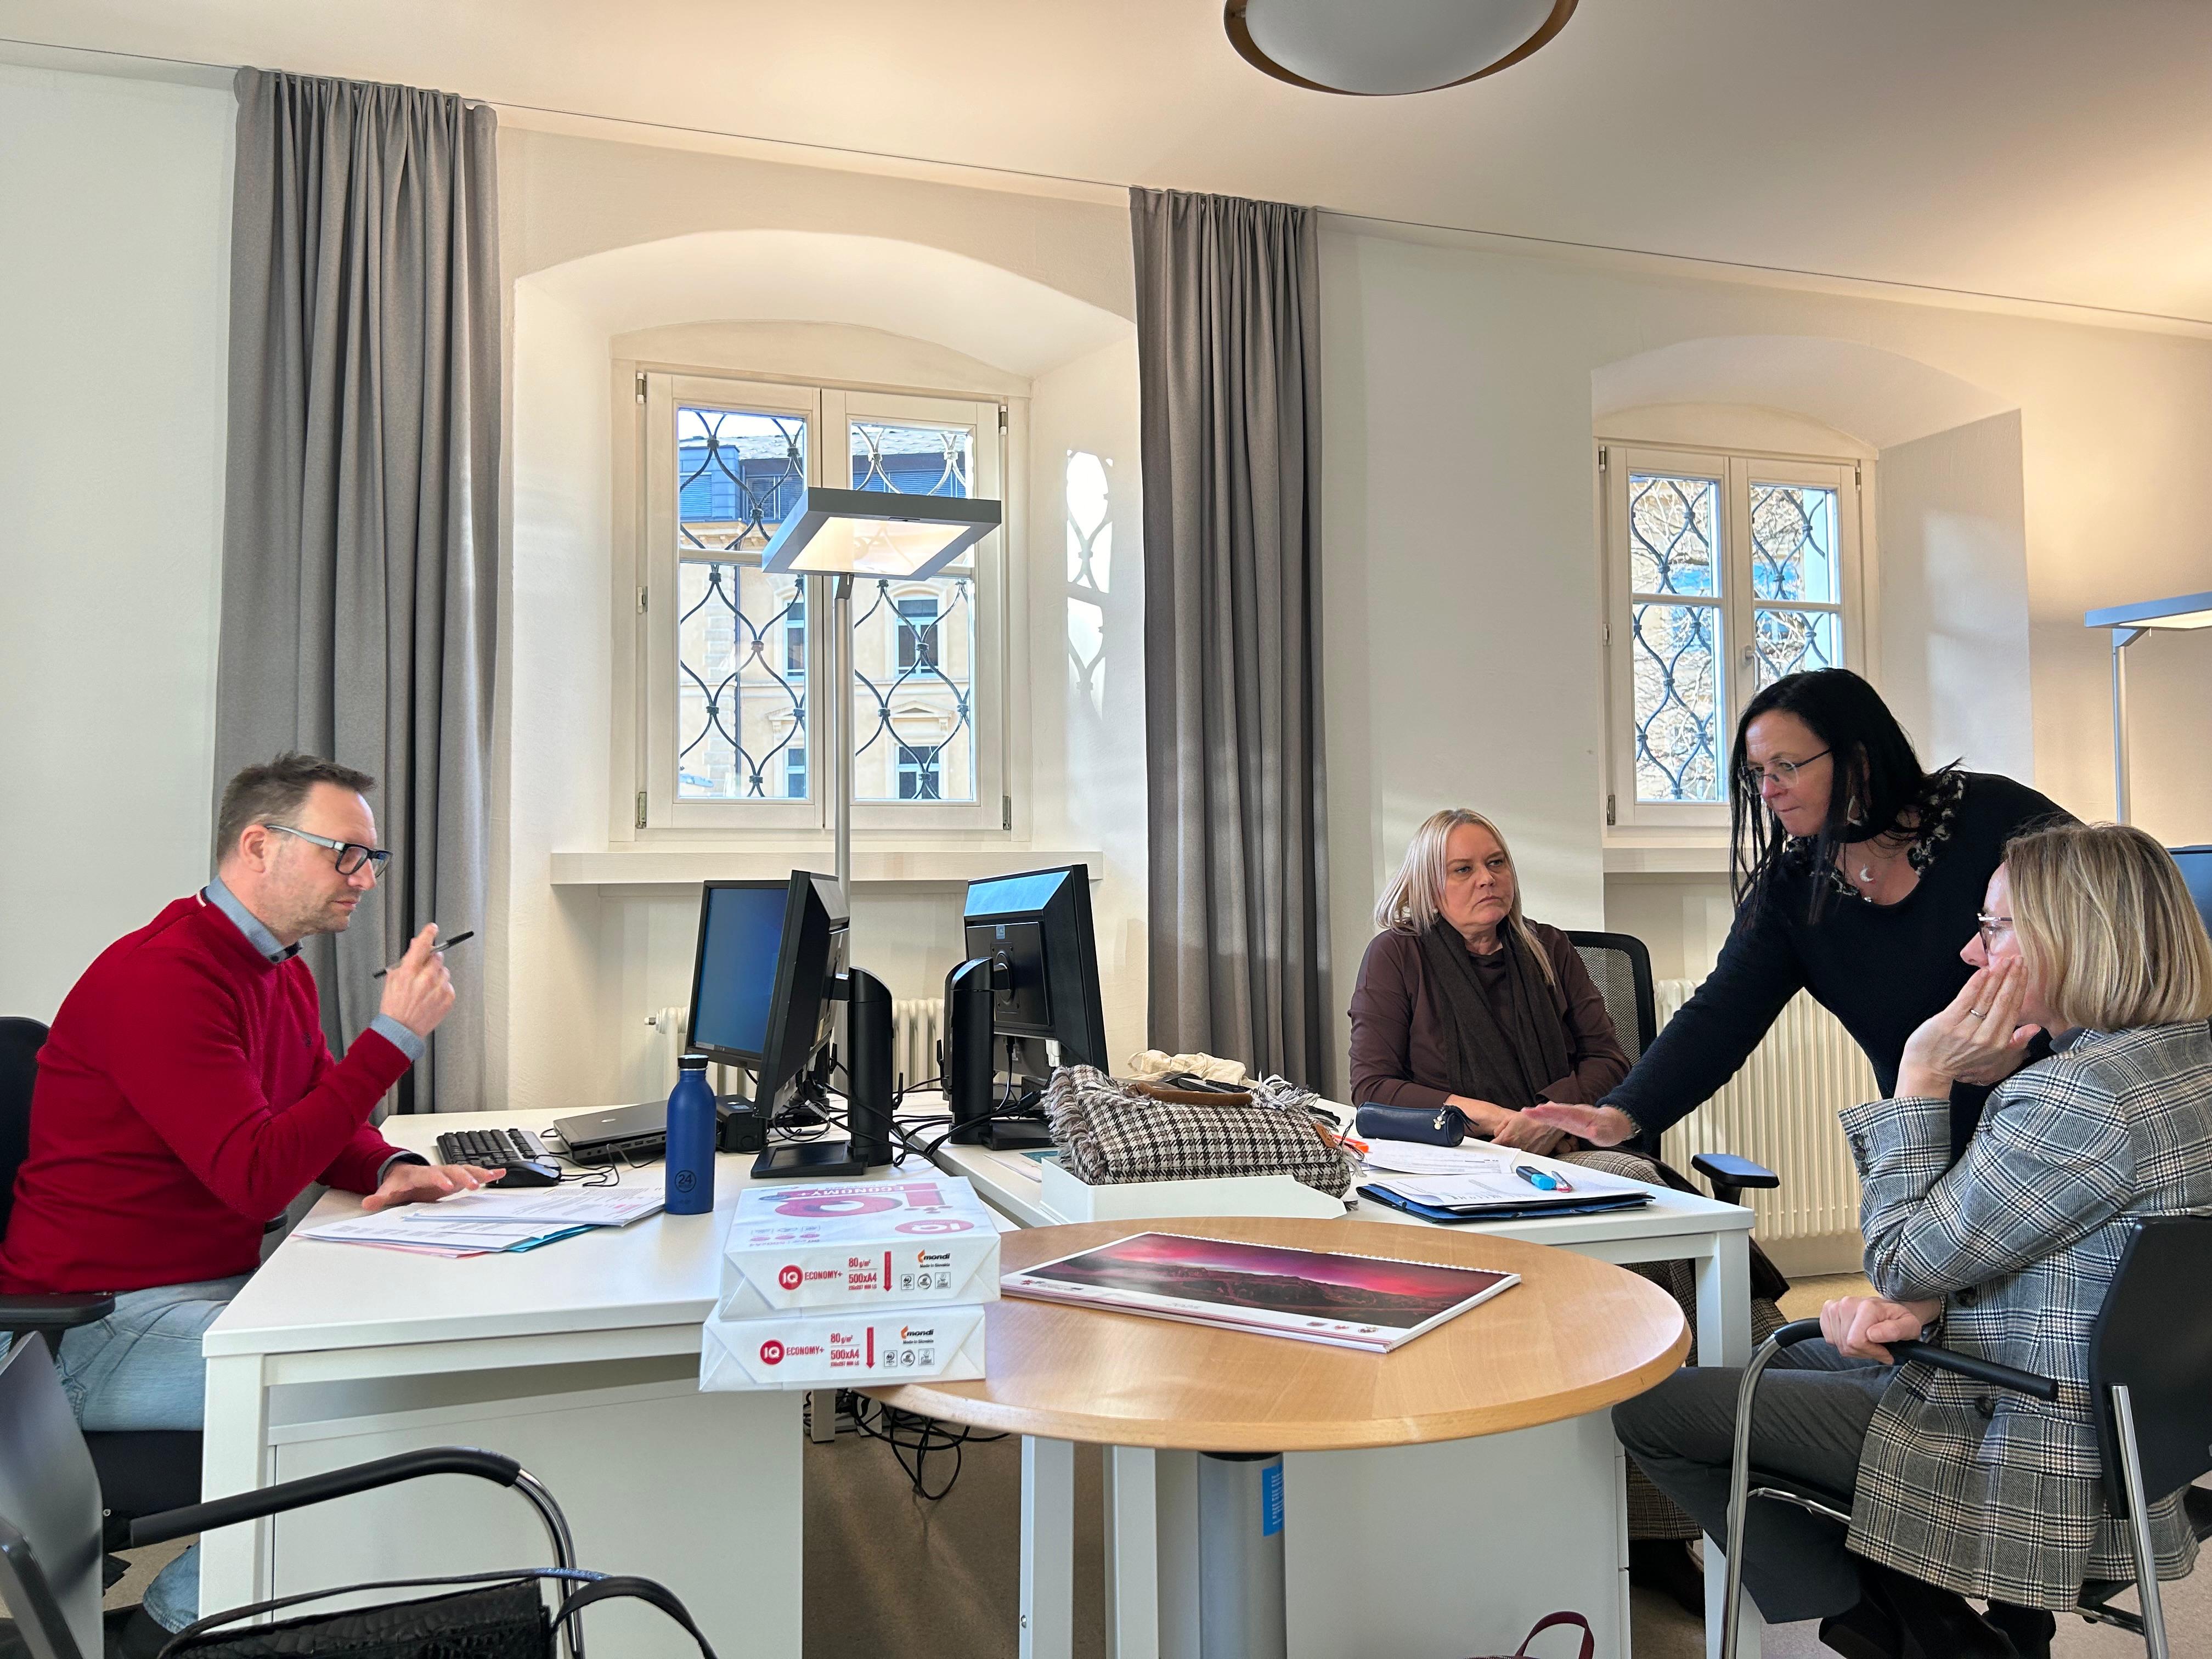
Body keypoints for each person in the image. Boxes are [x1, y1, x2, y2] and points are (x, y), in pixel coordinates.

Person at [1612, 823, 2212, 1659]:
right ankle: (1930, 1615)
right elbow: (2077, 1254)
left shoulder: (2077, 1097)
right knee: (1778, 1359)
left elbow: (1898, 1260)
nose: (1971, 953)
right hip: (2136, 1434)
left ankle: (1895, 1629)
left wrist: (1921, 1074)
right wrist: (1927, 1307)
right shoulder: (2182, 1064)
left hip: (2027, 1442)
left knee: (1655, 1410)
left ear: (2074, 935)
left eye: (1994, 928)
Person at [0, 754, 501, 1647]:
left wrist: (389, 1164)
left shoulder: (278, 971)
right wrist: (393, 1035)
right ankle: (176, 1631)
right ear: (259, 845)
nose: (365, 878)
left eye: (372, 859)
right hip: (84, 1332)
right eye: (346, 853)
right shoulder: (164, 978)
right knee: (349, 1393)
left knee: (382, 1349)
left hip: (194, 1297)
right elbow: (258, 1175)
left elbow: (314, 1120)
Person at [1346, 806, 1787, 1607]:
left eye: (1497, 863)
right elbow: (1374, 1085)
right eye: (1463, 869)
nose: (1487, 880)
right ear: (1427, 885)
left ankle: (1670, 1520)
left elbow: (1611, 1061)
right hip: (1465, 1163)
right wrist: (1489, 1118)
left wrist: (1546, 1118)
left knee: (1645, 1219)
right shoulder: (1398, 955)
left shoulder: (1549, 950)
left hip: (1569, 1151)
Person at [1526, 669, 2072, 1166]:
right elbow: (1720, 1016)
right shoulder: (1791, 893)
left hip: (2068, 1109)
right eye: (1758, 773)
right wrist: (1621, 1114)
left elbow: (2109, 936)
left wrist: (2032, 1049)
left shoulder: (1997, 818)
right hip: (1931, 1140)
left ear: (1858, 758)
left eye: (1786, 767)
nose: (1768, 791)